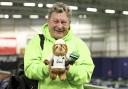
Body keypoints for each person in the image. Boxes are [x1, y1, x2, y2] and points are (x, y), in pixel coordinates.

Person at [24, 2, 94, 89]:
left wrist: (69, 69)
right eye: (56, 21)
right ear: (48, 21)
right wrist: (47, 68)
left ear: (69, 23)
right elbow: (29, 69)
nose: (59, 26)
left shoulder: (79, 44)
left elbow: (86, 74)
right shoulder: (37, 41)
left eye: (63, 22)